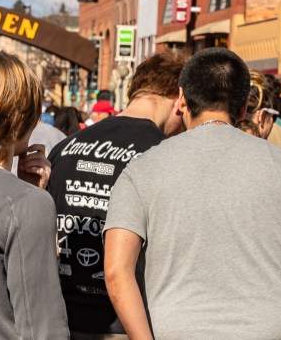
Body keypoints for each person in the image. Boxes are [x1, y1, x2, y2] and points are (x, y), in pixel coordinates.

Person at [104, 47, 281, 339]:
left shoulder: (141, 170)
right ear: (242, 109)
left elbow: (116, 271)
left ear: (181, 100)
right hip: (277, 329)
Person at [47, 49, 188, 338]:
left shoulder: (66, 147)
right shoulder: (164, 154)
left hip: (60, 318)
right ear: (180, 100)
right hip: (129, 324)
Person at [0, 51, 68, 339]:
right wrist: (32, 197)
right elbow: (42, 328)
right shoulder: (23, 204)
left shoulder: (22, 200)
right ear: (19, 116)